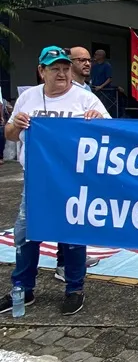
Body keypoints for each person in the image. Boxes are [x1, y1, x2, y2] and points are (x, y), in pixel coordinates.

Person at [1, 46, 109, 316]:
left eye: (64, 68)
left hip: (73, 179)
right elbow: (11, 135)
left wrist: (97, 122)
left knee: (72, 233)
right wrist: (15, 126)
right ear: (41, 71)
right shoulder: (28, 98)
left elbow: (110, 134)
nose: (61, 73)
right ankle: (22, 290)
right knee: (25, 234)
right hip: (37, 180)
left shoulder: (85, 99)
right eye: (54, 68)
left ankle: (74, 288)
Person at [55, 47, 101, 277]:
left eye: (88, 60)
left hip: (81, 163)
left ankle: (74, 258)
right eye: (80, 60)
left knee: (76, 212)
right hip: (58, 166)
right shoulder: (61, 91)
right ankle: (64, 263)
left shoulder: (85, 90)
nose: (86, 63)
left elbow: (105, 125)